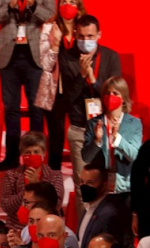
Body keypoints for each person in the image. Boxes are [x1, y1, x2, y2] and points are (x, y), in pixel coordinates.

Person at [0, 0, 51, 170]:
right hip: (8, 57)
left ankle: (36, 157)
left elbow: (50, 16)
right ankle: (11, 158)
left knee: (36, 109)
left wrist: (33, 5)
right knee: (11, 109)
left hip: (35, 57)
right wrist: (10, 7)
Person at [58, 14, 120, 183]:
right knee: (83, 183)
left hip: (107, 126)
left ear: (99, 35)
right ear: (75, 35)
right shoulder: (66, 58)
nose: (86, 41)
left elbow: (115, 97)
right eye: (81, 37)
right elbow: (67, 98)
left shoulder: (111, 57)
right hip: (80, 128)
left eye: (90, 36)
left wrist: (93, 80)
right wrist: (82, 75)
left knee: (109, 181)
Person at [37, 0, 85, 170]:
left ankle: (85, 177)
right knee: (56, 138)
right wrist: (55, 45)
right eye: (64, 1)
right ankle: (54, 178)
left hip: (80, 90)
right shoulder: (49, 28)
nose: (68, 5)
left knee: (83, 135)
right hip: (55, 92)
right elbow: (45, 64)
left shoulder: (83, 28)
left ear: (79, 6)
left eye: (72, 2)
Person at [82, 76, 142, 195]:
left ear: (123, 98)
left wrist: (117, 139)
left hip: (125, 186)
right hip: (100, 185)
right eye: (107, 93)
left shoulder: (134, 124)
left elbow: (135, 156)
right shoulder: (94, 123)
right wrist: (97, 141)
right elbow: (86, 157)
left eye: (115, 93)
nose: (111, 97)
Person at [75, 164, 134, 248]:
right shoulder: (87, 208)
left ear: (103, 185)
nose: (84, 186)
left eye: (90, 183)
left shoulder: (109, 214)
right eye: (82, 182)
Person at [0, 132, 65, 232]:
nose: (32, 155)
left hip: (46, 228)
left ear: (44, 153)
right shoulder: (12, 175)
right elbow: (6, 206)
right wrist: (26, 189)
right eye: (27, 152)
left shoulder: (55, 175)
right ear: (22, 154)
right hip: (17, 228)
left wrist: (37, 186)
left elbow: (55, 205)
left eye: (36, 152)